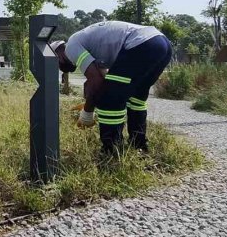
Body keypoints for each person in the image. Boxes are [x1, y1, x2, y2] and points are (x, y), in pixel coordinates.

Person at [50, 20, 172, 155]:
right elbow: (103, 79)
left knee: (109, 100)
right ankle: (138, 147)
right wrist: (90, 99)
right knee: (136, 98)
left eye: (56, 63)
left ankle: (112, 151)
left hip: (141, 44)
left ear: (58, 55)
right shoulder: (87, 44)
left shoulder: (71, 48)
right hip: (161, 44)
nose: (59, 68)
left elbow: (97, 82)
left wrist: (87, 113)